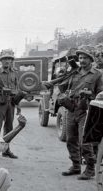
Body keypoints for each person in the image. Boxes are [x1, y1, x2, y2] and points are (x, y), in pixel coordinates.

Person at [44, 45, 103, 180]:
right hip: (71, 108)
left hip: (86, 110)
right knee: (71, 139)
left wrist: (89, 94)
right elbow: (63, 86)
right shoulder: (74, 72)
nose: (81, 60)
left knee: (85, 141)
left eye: (85, 58)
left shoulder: (97, 74)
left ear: (90, 60)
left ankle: (89, 169)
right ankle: (76, 166)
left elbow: (100, 93)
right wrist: (61, 78)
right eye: (80, 58)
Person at [0, 49, 20, 159]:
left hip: (11, 103)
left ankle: (6, 150)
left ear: (12, 60)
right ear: (1, 61)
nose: (7, 61)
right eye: (5, 59)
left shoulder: (14, 73)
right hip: (0, 101)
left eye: (9, 59)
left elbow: (17, 89)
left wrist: (18, 105)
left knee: (9, 128)